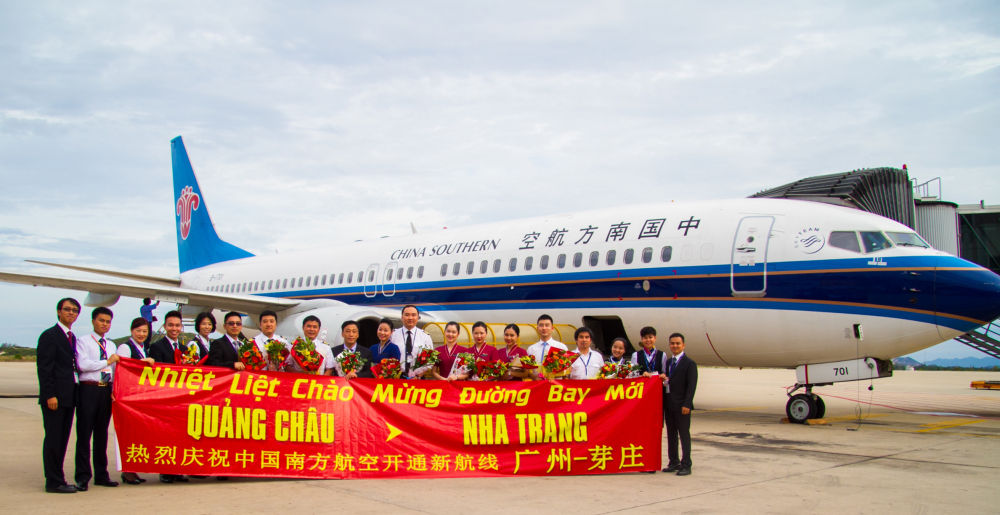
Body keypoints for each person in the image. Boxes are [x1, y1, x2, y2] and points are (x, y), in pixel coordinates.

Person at [37, 297, 82, 493]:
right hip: (55, 398)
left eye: (74, 310)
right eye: (67, 309)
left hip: (68, 396)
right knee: (54, 439)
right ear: (58, 311)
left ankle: (58, 477)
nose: (71, 313)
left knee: (62, 439)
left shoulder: (71, 337)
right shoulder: (50, 335)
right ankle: (53, 481)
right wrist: (50, 395)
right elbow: (44, 368)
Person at [74, 307, 121, 490]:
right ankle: (82, 476)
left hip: (105, 390)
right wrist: (106, 362)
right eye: (102, 320)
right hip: (88, 389)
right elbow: (83, 365)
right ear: (93, 321)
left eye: (108, 322)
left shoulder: (111, 345)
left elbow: (114, 370)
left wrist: (113, 387)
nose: (105, 324)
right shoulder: (83, 341)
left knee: (102, 435)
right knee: (84, 435)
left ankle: (101, 475)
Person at [147, 310, 189, 483]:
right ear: (164, 326)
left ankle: (178, 469)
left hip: (182, 398)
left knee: (181, 435)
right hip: (166, 398)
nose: (174, 328)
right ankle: (165, 470)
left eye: (177, 325)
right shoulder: (157, 347)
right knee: (165, 435)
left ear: (181, 327)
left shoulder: (185, 349)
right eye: (171, 325)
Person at [115, 317, 155, 485]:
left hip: (138, 395)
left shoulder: (143, 348)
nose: (141, 334)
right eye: (138, 331)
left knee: (137, 434)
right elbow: (123, 367)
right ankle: (127, 471)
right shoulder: (125, 347)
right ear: (132, 331)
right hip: (126, 395)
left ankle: (132, 469)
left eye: (144, 331)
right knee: (126, 432)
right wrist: (142, 363)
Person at [662, 332, 698, 476]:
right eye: (672, 343)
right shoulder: (669, 362)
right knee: (671, 435)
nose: (675, 346)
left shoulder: (689, 364)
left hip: (682, 406)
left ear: (683, 345)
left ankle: (686, 464)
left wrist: (687, 404)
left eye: (678, 343)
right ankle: (674, 462)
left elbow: (691, 386)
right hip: (669, 404)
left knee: (684, 435)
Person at [389, 305, 433, 377]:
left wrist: (418, 376)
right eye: (407, 315)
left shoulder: (425, 336)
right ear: (402, 317)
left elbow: (430, 360)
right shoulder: (393, 335)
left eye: (413, 315)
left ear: (418, 317)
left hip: (418, 378)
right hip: (397, 377)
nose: (410, 318)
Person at [525, 314, 567, 378]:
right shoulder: (531, 349)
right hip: (537, 382)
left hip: (555, 382)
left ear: (552, 328)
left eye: (547, 325)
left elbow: (566, 370)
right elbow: (528, 370)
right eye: (541, 325)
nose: (544, 328)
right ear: (537, 328)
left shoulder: (561, 347)